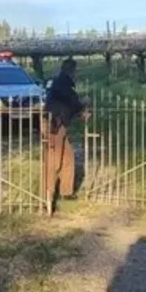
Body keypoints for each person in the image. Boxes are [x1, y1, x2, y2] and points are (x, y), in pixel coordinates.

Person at [43, 58, 90, 207]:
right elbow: (71, 101)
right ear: (71, 70)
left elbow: (70, 102)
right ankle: (48, 195)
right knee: (54, 160)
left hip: (59, 123)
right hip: (54, 124)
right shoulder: (63, 82)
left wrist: (80, 109)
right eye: (76, 71)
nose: (77, 74)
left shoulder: (62, 83)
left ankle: (66, 192)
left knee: (68, 157)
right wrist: (82, 106)